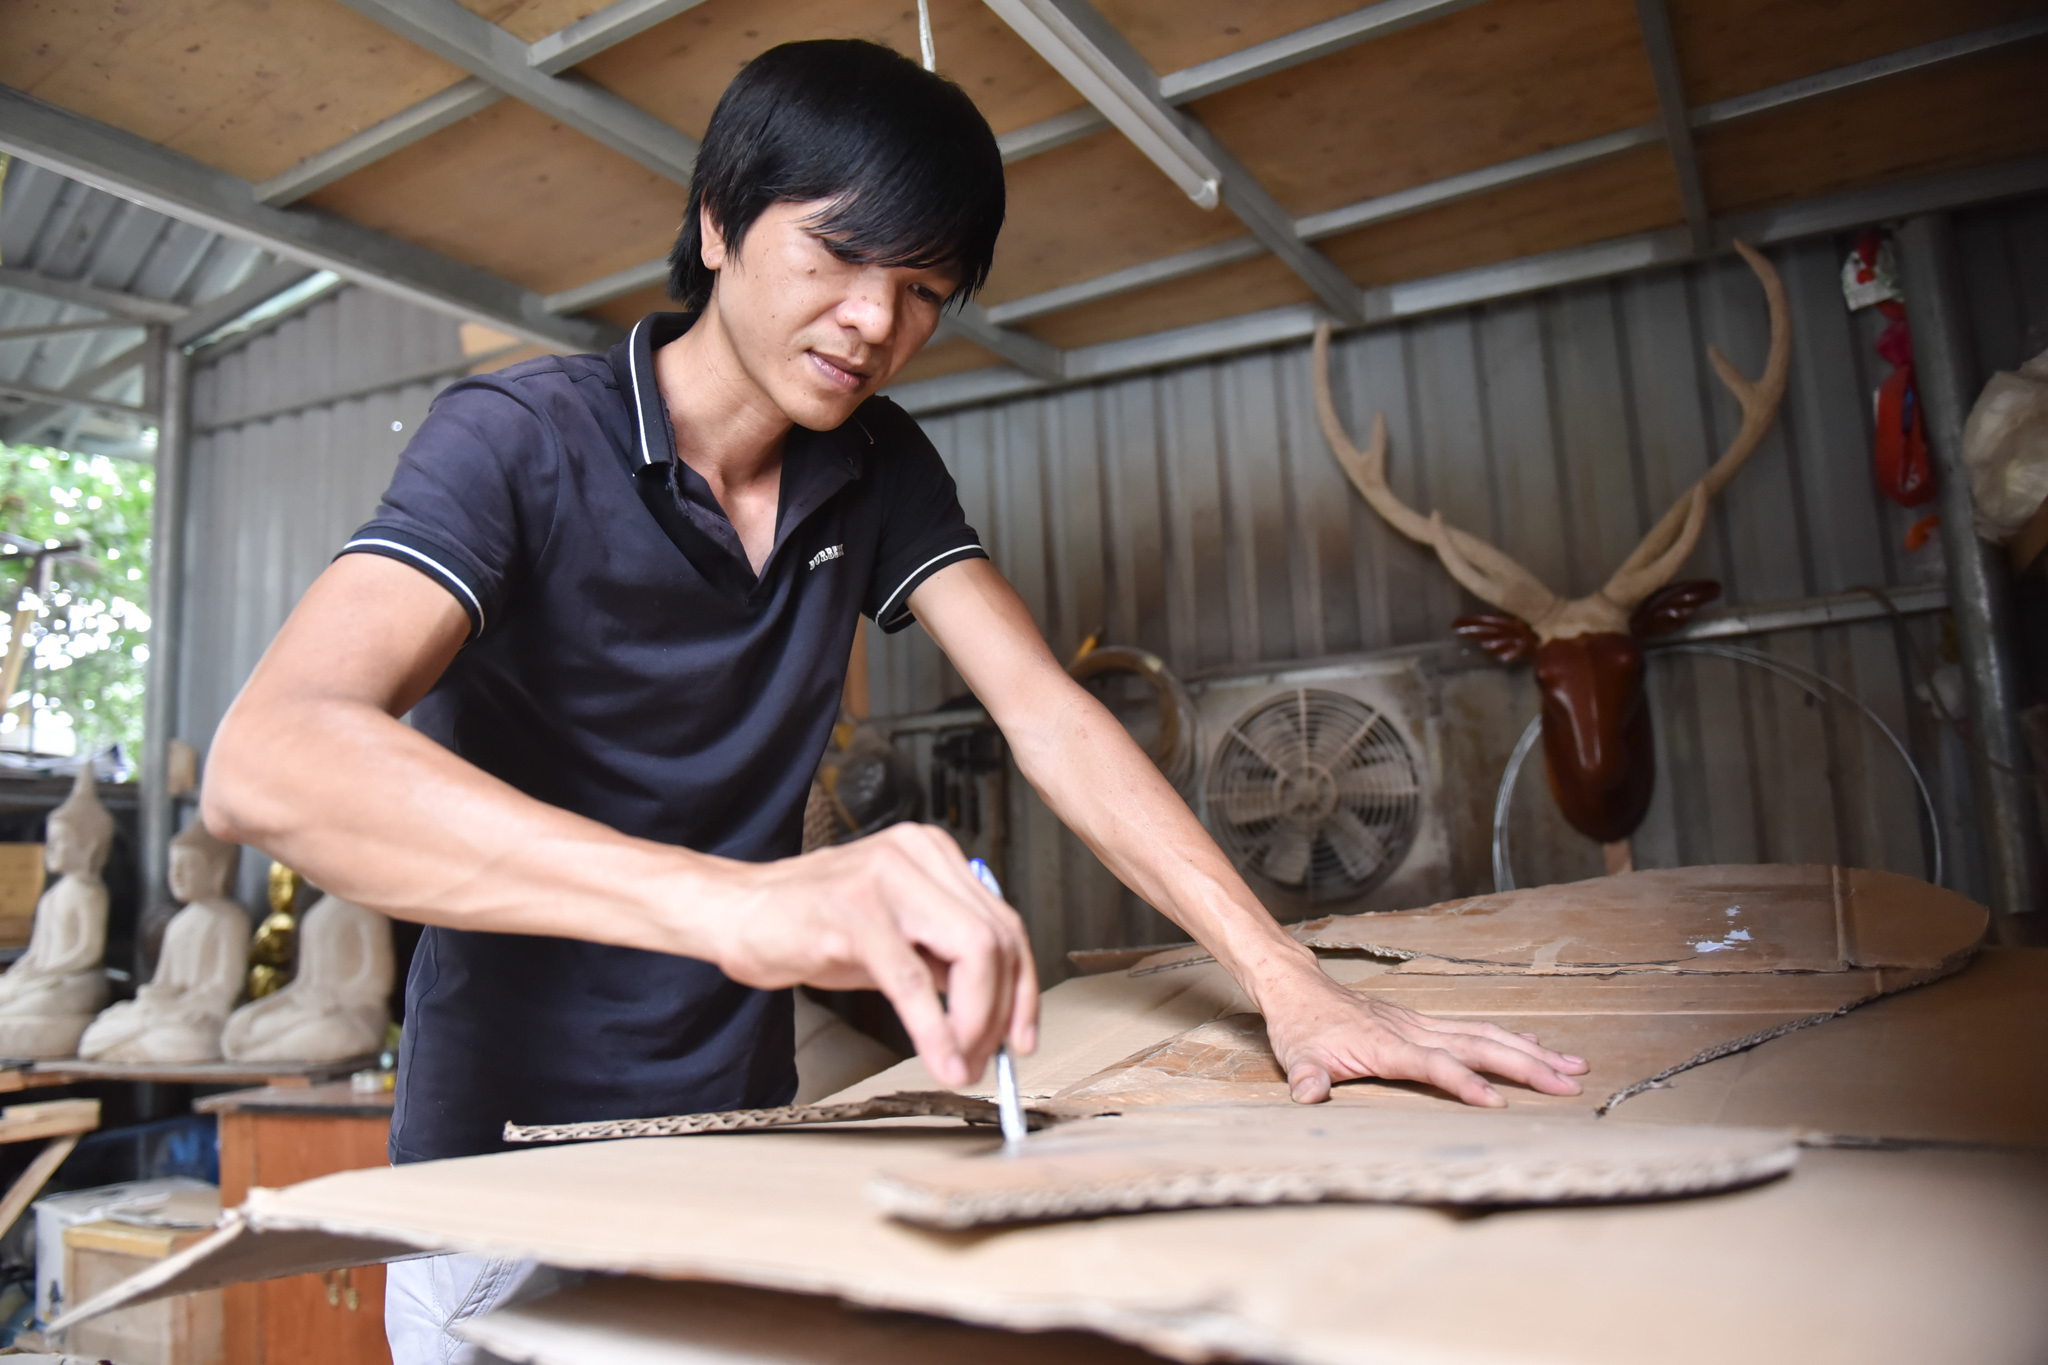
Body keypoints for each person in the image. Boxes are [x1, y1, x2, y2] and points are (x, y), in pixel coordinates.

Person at [203, 38, 1588, 1363]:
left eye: (924, 290)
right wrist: (739, 905)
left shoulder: (872, 465)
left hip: (733, 1156)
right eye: (838, 252)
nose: (876, 322)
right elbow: (267, 761)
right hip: (501, 1178)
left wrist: (1291, 984)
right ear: (716, 227)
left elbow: (1046, 710)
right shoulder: (514, 442)